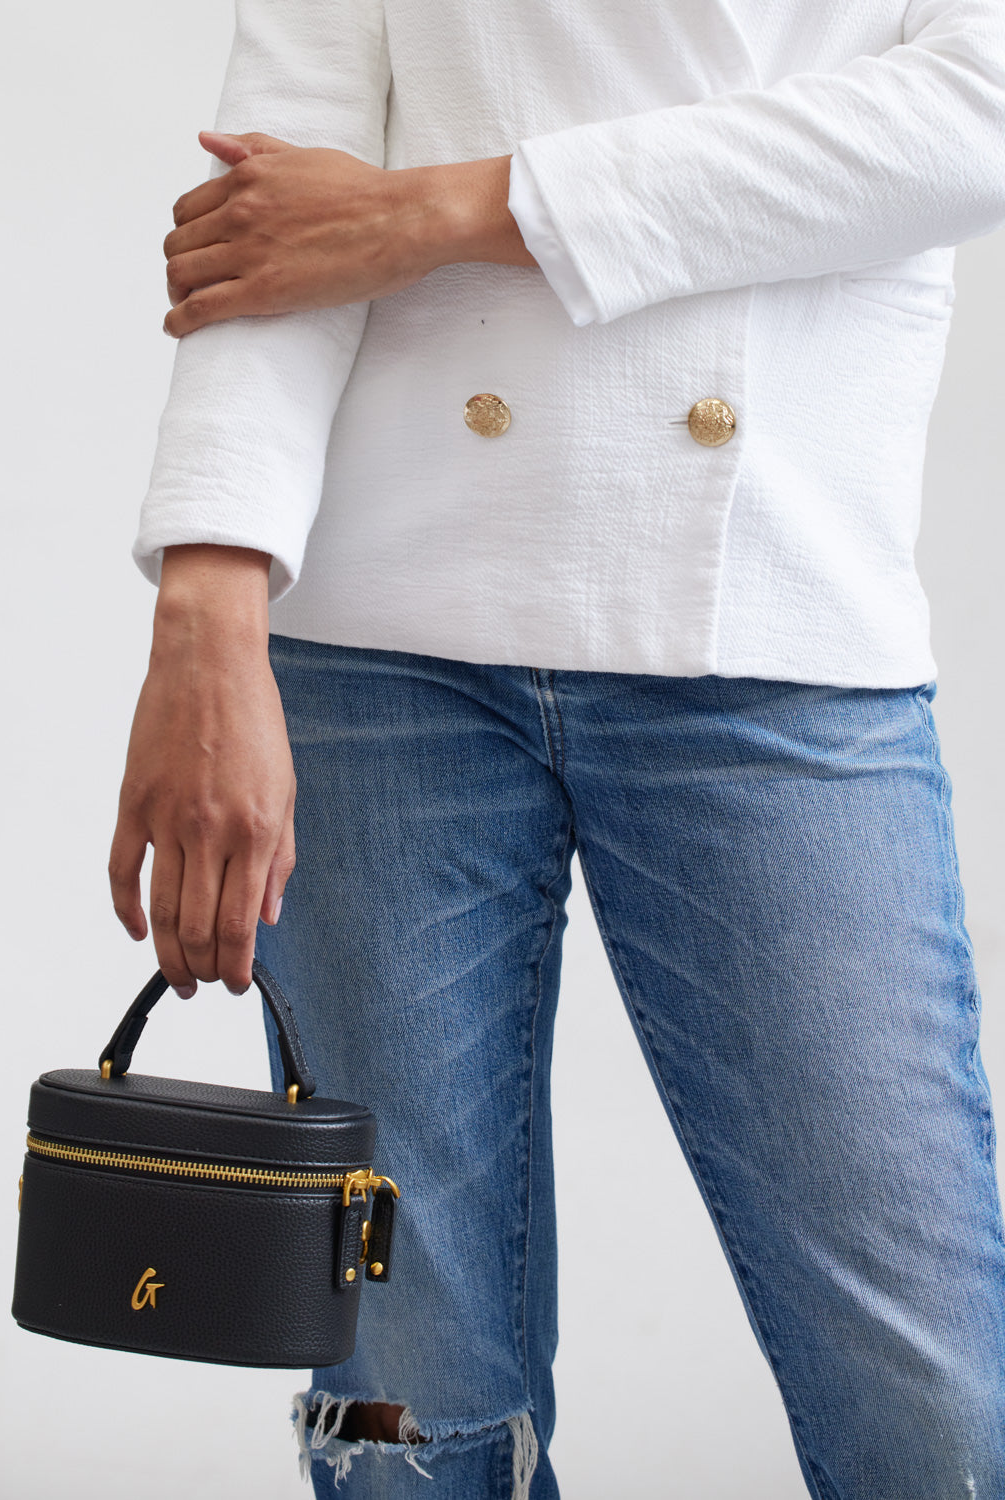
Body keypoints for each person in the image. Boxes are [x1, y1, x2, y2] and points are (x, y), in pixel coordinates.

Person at [108, 2, 1005, 1494]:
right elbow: (263, 232)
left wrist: (441, 210)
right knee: (399, 1392)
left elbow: (972, 114)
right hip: (378, 643)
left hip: (771, 637)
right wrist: (207, 613)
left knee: (920, 1378)